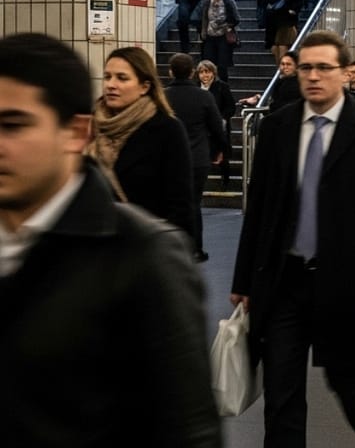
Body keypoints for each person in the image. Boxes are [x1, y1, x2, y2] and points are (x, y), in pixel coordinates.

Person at [0, 33, 221, 448]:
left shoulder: (144, 257)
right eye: (108, 76)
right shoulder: (101, 129)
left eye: (14, 125)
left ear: (73, 133)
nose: (113, 84)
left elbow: (187, 427)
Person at [231, 30, 355, 447]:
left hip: (345, 283)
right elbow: (258, 208)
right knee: (281, 391)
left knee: (349, 380)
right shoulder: (276, 127)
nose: (313, 76)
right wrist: (243, 281)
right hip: (284, 282)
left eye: (323, 68)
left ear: (347, 73)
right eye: (306, 68)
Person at [86, 47, 193, 240]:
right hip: (92, 252)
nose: (111, 85)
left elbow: (180, 206)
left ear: (144, 86)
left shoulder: (166, 130)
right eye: (107, 77)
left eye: (122, 78)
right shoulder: (89, 126)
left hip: (143, 252)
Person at [165, 53, 228, 263]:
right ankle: (196, 248)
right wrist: (220, 150)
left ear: (171, 71)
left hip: (171, 159)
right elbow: (217, 129)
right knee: (194, 203)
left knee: (171, 202)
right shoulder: (204, 97)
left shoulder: (163, 96)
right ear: (193, 72)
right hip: (198, 158)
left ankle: (172, 247)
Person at [196, 59, 236, 191]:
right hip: (202, 128)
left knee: (222, 154)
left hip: (219, 127)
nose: (204, 75)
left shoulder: (222, 86)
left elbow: (231, 107)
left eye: (207, 72)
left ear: (213, 73)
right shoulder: (195, 87)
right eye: (201, 72)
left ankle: (225, 179)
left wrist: (223, 118)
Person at [198, 0, 241, 83]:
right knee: (208, 64)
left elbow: (236, 18)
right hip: (209, 36)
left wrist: (228, 26)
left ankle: (223, 87)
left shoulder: (228, 1)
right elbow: (204, 19)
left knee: (222, 66)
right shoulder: (206, 2)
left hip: (224, 36)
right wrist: (202, 33)